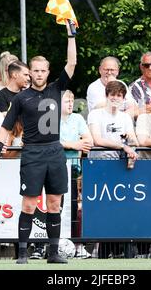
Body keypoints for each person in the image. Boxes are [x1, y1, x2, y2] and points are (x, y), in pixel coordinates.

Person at [0, 23, 76, 264]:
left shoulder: (57, 89)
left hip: (55, 151)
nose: (38, 74)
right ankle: (23, 253)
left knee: (54, 204)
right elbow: (6, 127)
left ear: (48, 72)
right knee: (28, 204)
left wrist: (71, 35)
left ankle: (53, 253)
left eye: (42, 70)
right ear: (30, 73)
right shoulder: (20, 98)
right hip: (33, 153)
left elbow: (71, 64)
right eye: (34, 71)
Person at [88, 80, 139, 258]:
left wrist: (130, 141)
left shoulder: (125, 117)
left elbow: (133, 140)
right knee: (103, 208)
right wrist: (122, 146)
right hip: (99, 166)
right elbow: (97, 140)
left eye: (119, 96)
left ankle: (121, 248)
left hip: (120, 166)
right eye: (112, 95)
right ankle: (101, 249)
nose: (115, 99)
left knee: (121, 208)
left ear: (123, 98)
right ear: (106, 96)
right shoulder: (95, 115)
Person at [60, 90, 93, 259]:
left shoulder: (78, 118)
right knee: (55, 209)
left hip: (73, 169)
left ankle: (76, 244)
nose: (70, 103)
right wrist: (74, 145)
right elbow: (52, 143)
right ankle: (51, 245)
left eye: (72, 100)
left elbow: (89, 141)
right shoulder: (50, 119)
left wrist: (75, 144)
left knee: (73, 209)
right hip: (54, 168)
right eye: (67, 100)